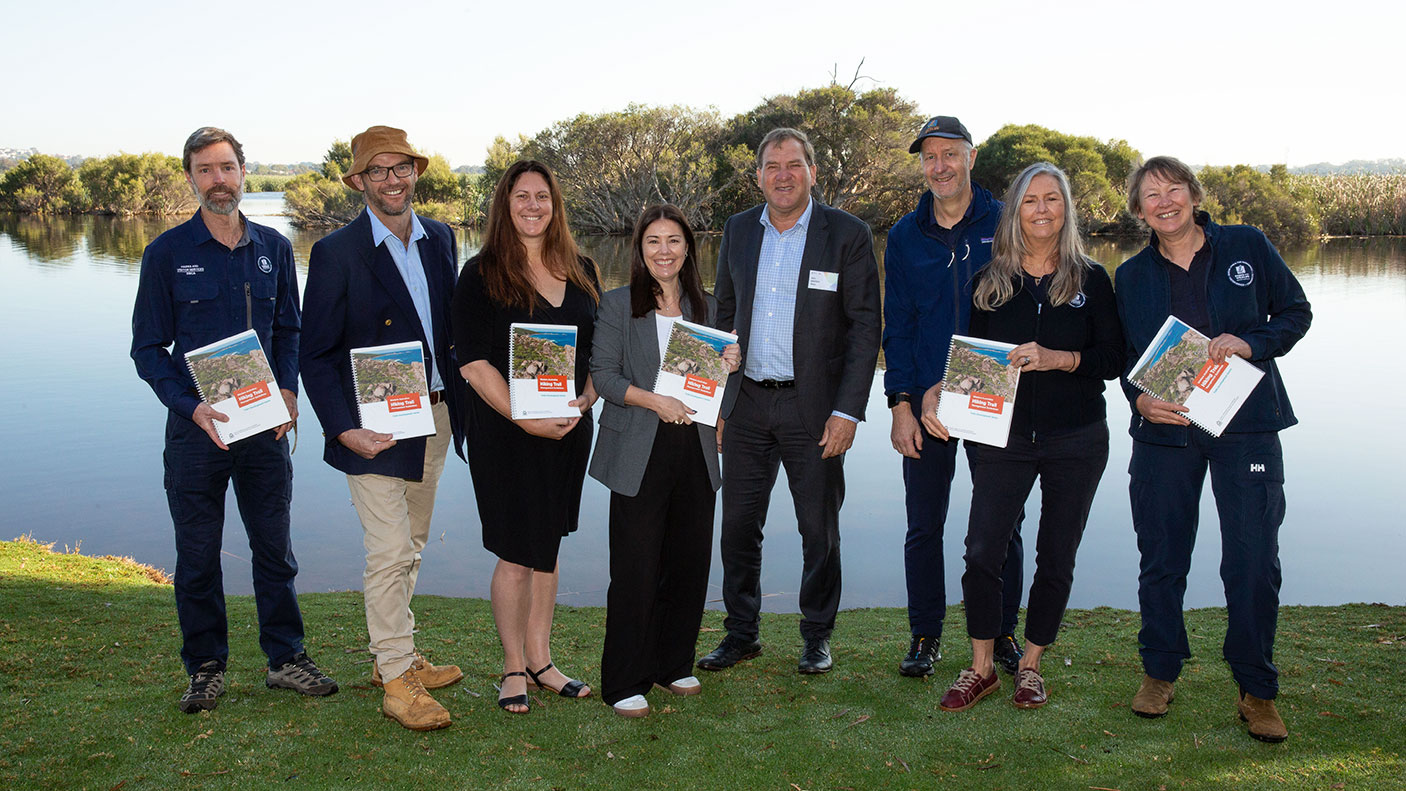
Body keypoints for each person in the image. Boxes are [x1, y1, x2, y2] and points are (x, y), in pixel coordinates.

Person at [131, 126, 336, 713]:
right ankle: (205, 668)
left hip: (265, 429)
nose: (217, 180)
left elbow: (291, 331)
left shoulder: (273, 247)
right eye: (204, 170)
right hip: (197, 432)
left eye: (226, 167)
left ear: (244, 172)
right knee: (197, 555)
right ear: (191, 177)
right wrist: (191, 407)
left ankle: (286, 658)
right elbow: (148, 350)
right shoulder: (167, 254)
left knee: (275, 549)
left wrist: (290, 391)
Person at [1116, 156, 1311, 742]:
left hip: (1247, 426)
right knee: (1162, 556)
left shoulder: (1247, 245)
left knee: (1252, 562)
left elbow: (1297, 313)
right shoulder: (1130, 276)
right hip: (1166, 431)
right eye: (1150, 194)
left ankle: (1256, 689)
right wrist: (1138, 400)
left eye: (1173, 188)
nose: (1164, 200)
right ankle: (1159, 671)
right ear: (1138, 209)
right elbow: (1123, 361)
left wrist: (1251, 343)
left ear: (1194, 194)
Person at [923, 163, 1123, 711]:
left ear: (1066, 209)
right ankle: (981, 666)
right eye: (1030, 200)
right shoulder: (989, 280)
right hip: (1000, 439)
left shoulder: (1091, 279)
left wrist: (1058, 359)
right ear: (1014, 210)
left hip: (1076, 438)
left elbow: (1113, 359)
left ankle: (1030, 665)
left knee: (1056, 554)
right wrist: (931, 394)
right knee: (982, 551)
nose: (1041, 209)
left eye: (1052, 199)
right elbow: (968, 358)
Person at [300, 126, 466, 731]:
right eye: (378, 171)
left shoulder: (441, 238)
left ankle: (395, 653)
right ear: (359, 182)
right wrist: (343, 429)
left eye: (401, 168)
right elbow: (315, 353)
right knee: (389, 548)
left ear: (416, 173)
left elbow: (451, 330)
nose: (392, 180)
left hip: (437, 415)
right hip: (373, 426)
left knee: (413, 542)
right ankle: (397, 679)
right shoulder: (336, 253)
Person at [699, 127, 881, 675]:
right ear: (758, 176)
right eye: (772, 165)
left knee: (818, 530)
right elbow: (723, 315)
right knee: (738, 528)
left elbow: (865, 328)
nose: (783, 175)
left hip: (817, 410)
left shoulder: (846, 234)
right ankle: (741, 633)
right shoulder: (737, 231)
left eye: (794, 164)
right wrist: (718, 404)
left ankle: (816, 635)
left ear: (812, 172)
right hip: (749, 404)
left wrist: (848, 411)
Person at [882, 115, 1027, 678]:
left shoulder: (1007, 221)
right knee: (924, 525)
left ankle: (1004, 631)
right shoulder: (903, 234)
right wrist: (900, 403)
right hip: (924, 404)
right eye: (929, 157)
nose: (939, 166)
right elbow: (896, 325)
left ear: (971, 156)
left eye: (950, 154)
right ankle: (925, 634)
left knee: (1002, 525)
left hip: (993, 394)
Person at [453, 160, 600, 714]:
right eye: (521, 196)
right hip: (506, 434)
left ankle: (542, 659)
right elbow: (472, 363)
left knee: (549, 547)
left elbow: (597, 350)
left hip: (566, 431)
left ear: (555, 204)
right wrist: (524, 417)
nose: (533, 205)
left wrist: (586, 397)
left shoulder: (582, 268)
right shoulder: (481, 272)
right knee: (517, 553)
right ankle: (513, 666)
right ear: (504, 204)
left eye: (542, 196)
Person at [589, 204, 741, 717]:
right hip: (639, 445)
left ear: (688, 249)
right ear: (640, 249)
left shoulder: (710, 307)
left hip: (695, 448)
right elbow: (605, 376)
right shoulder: (616, 305)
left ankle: (674, 664)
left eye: (674, 241)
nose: (664, 251)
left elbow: (724, 386)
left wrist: (730, 365)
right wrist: (656, 400)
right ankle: (624, 678)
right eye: (653, 241)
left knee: (689, 561)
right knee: (635, 566)